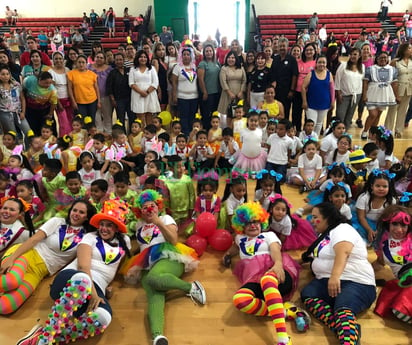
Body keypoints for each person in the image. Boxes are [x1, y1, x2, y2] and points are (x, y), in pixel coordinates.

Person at [15, 199, 131, 345]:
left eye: (109, 225)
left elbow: (115, 265)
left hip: (95, 289)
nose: (103, 228)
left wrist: (107, 286)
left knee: (103, 318)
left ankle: (42, 335)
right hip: (71, 280)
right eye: (102, 224)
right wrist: (94, 294)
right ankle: (44, 341)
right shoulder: (90, 237)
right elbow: (83, 267)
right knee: (83, 280)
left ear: (117, 228)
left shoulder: (125, 241)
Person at [122, 190, 206, 345]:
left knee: (154, 278)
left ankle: (191, 288)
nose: (149, 209)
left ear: (158, 206)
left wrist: (158, 222)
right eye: (145, 207)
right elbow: (142, 245)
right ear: (139, 211)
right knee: (153, 295)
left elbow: (173, 240)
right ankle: (158, 336)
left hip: (169, 255)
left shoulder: (165, 218)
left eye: (152, 206)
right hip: (146, 263)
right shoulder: (139, 224)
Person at [0, 200, 96, 315]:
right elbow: (34, 239)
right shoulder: (57, 222)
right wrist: (12, 258)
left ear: (87, 217)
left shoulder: (88, 236)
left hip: (40, 272)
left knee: (5, 307)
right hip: (27, 254)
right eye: (74, 210)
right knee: (11, 282)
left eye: (81, 212)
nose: (76, 214)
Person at [301, 202, 376, 345]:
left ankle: (348, 339)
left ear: (327, 218)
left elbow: (344, 251)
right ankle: (345, 329)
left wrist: (335, 277)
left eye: (315, 217)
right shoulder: (326, 235)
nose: (312, 221)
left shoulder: (342, 229)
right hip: (330, 280)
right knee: (308, 295)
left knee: (343, 308)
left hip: (356, 281)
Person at [226, 202, 301, 345]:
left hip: (275, 272)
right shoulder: (239, 238)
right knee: (240, 300)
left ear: (262, 222)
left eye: (256, 222)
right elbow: (236, 247)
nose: (253, 225)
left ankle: (283, 339)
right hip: (254, 279)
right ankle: (284, 311)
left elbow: (275, 250)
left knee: (267, 280)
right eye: (248, 223)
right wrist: (228, 254)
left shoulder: (269, 235)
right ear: (242, 225)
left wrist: (278, 264)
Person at [374, 205, 412, 324]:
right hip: (404, 283)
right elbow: (378, 263)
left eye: (403, 225)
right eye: (395, 224)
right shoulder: (383, 244)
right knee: (399, 311)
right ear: (387, 224)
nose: (399, 230)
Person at [361, 51, 398, 140]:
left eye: (385, 57)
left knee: (378, 115)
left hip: (384, 94)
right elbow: (365, 82)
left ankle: (373, 133)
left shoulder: (392, 70)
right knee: (373, 114)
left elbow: (394, 83)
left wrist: (397, 96)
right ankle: (365, 131)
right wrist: (364, 94)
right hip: (372, 93)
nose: (383, 59)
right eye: (381, 58)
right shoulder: (370, 69)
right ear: (377, 59)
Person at [302, 55, 335, 135]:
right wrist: (304, 101)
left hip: (324, 104)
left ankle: (315, 139)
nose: (322, 64)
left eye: (324, 62)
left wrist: (332, 101)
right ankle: (308, 140)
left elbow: (332, 89)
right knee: (311, 124)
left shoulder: (329, 74)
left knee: (319, 123)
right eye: (320, 62)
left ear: (326, 64)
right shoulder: (311, 74)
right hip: (311, 104)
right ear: (316, 63)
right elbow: (303, 87)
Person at [384, 43, 412, 138]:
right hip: (397, 89)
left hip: (408, 89)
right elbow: (390, 77)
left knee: (403, 110)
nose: (411, 50)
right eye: (409, 48)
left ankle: (399, 130)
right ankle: (387, 130)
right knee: (392, 110)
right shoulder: (395, 62)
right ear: (403, 50)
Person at [171, 46, 199, 136]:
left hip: (194, 97)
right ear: (181, 56)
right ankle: (185, 135)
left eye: (188, 54)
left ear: (191, 56)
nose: (186, 56)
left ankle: (192, 134)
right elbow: (174, 83)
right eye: (184, 55)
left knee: (192, 117)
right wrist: (174, 95)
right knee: (184, 117)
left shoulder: (194, 66)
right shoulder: (177, 68)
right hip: (182, 97)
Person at [335, 48, 364, 129]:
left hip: (357, 95)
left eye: (355, 54)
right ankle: (337, 134)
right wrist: (339, 92)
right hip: (344, 95)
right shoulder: (343, 65)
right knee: (340, 115)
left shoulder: (362, 67)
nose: (353, 56)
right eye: (351, 54)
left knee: (349, 117)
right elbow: (338, 79)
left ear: (359, 56)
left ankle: (345, 133)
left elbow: (362, 81)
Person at [129, 50, 160, 127]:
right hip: (137, 95)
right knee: (140, 117)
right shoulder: (133, 69)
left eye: (145, 57)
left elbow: (155, 82)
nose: (143, 59)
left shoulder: (152, 68)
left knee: (149, 116)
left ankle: (149, 135)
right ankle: (141, 135)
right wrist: (141, 92)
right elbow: (131, 83)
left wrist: (147, 92)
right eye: (141, 57)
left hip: (150, 94)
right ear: (137, 58)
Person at [270, 38, 298, 120]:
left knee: (285, 111)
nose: (282, 48)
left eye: (284, 46)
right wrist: (273, 81)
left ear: (287, 47)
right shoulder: (275, 59)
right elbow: (272, 72)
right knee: (275, 110)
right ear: (278, 47)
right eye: (280, 46)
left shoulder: (292, 59)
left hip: (287, 90)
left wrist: (292, 90)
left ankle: (284, 128)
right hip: (276, 90)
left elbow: (294, 75)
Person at [67, 55, 100, 123]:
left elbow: (96, 88)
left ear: (86, 63)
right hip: (79, 102)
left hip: (92, 101)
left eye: (83, 62)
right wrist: (73, 101)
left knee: (92, 121)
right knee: (82, 122)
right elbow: (70, 89)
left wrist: (99, 101)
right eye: (79, 62)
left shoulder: (92, 74)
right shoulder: (71, 74)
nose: (81, 64)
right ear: (76, 63)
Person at [217, 51, 246, 128]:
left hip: (239, 94)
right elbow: (223, 81)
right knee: (228, 113)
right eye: (229, 57)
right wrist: (229, 92)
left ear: (236, 59)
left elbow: (244, 80)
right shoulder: (224, 68)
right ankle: (228, 130)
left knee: (239, 113)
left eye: (233, 57)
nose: (231, 59)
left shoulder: (241, 68)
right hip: (227, 94)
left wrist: (241, 91)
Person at [23, 72, 58, 136]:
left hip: (44, 110)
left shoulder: (52, 90)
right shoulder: (29, 80)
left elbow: (54, 103)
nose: (48, 85)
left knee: (46, 129)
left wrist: (50, 114)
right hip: (30, 110)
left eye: (50, 83)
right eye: (46, 83)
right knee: (32, 129)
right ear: (39, 80)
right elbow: (23, 91)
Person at [292, 43, 317, 132]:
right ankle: (297, 133)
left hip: (310, 93)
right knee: (296, 114)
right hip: (298, 92)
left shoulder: (316, 63)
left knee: (308, 116)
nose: (309, 52)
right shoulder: (298, 62)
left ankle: (307, 134)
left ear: (315, 51)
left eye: (311, 50)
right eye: (307, 50)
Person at [198, 44, 221, 131]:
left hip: (216, 93)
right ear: (204, 53)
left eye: (210, 51)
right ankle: (206, 132)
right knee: (206, 115)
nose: (209, 53)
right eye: (206, 51)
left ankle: (214, 132)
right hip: (207, 93)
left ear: (213, 52)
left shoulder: (217, 63)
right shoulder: (202, 64)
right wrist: (204, 92)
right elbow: (200, 79)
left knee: (214, 114)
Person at [88, 52, 113, 133]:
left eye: (101, 57)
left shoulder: (109, 69)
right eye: (97, 57)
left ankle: (108, 132)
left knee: (107, 115)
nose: (99, 59)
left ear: (105, 59)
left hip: (106, 96)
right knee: (96, 116)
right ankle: (99, 133)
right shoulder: (89, 68)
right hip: (93, 96)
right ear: (94, 58)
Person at [49, 51, 72, 136]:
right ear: (53, 60)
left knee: (71, 121)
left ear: (63, 60)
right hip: (59, 101)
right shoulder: (51, 72)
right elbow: (52, 90)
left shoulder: (67, 70)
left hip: (69, 100)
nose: (58, 60)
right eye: (56, 59)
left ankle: (72, 140)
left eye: (60, 58)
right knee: (63, 122)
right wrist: (58, 103)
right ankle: (63, 140)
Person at [107, 53, 133, 128]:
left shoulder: (129, 70)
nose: (119, 61)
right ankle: (122, 135)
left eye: (120, 59)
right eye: (117, 60)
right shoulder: (112, 73)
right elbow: (109, 88)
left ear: (124, 60)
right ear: (114, 61)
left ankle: (132, 135)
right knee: (120, 119)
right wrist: (113, 100)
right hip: (118, 100)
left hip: (130, 98)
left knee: (132, 118)